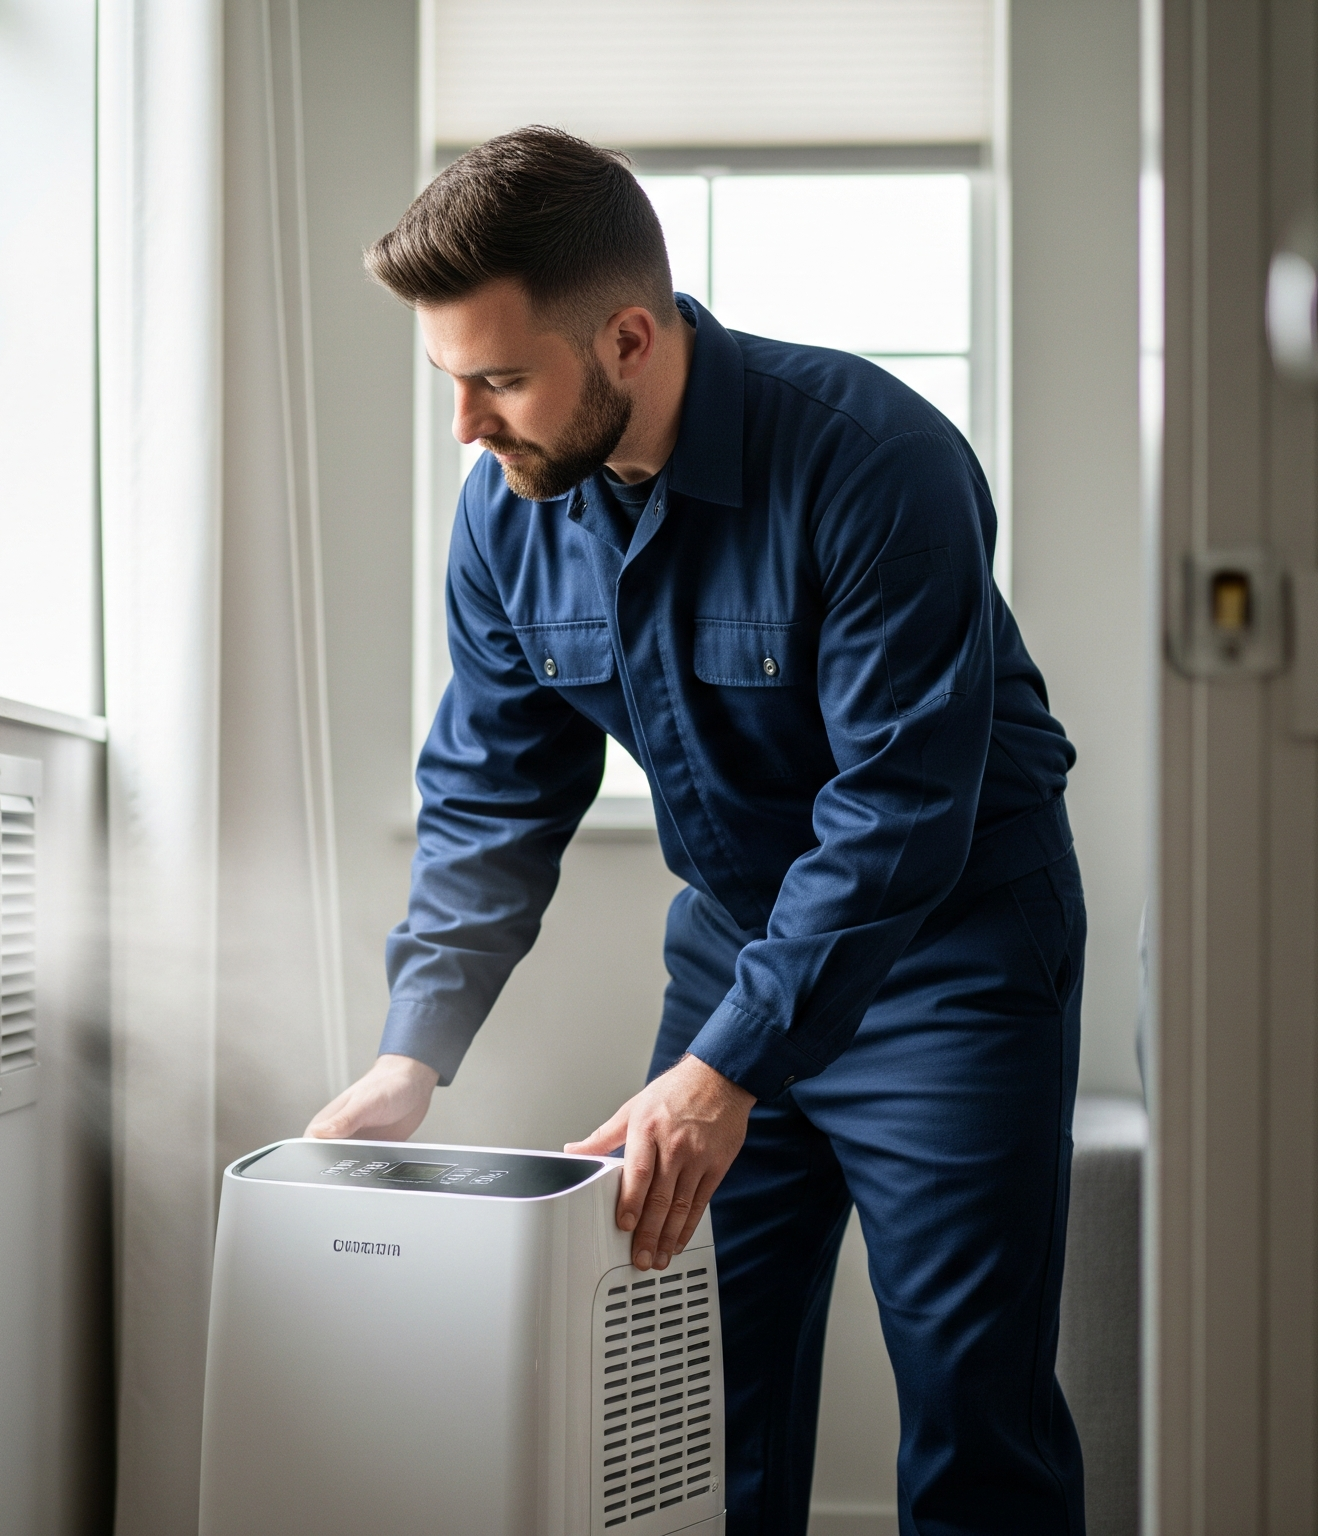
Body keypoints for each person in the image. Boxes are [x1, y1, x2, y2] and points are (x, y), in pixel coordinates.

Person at [307, 126, 1086, 1536]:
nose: (471, 430)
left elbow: (901, 805)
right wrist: (412, 1052)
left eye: (498, 380)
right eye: (453, 384)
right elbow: (493, 793)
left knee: (975, 1408)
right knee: (682, 1384)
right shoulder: (509, 516)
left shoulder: (873, 462)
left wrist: (726, 1068)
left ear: (625, 337)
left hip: (950, 955)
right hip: (737, 953)